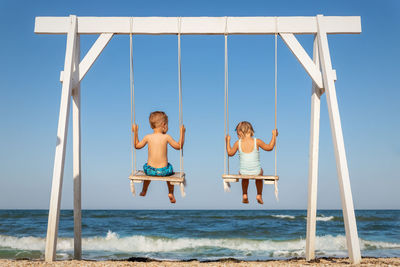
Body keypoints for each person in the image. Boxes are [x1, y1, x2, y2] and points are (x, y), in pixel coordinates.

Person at [132, 111, 185, 203]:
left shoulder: (147, 137)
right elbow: (179, 146)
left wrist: (135, 132)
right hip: (164, 171)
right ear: (164, 124)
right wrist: (182, 133)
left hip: (150, 171)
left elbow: (137, 145)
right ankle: (171, 193)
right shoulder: (167, 137)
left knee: (147, 172)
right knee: (170, 174)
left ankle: (144, 190)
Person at [225, 121, 278, 204]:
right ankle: (259, 195)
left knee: (243, 176)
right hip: (256, 171)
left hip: (243, 171)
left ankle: (244, 195)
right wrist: (274, 136)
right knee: (260, 174)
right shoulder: (257, 141)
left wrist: (227, 141)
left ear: (240, 132)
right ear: (251, 131)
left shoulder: (237, 143)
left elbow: (230, 153)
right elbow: (270, 147)